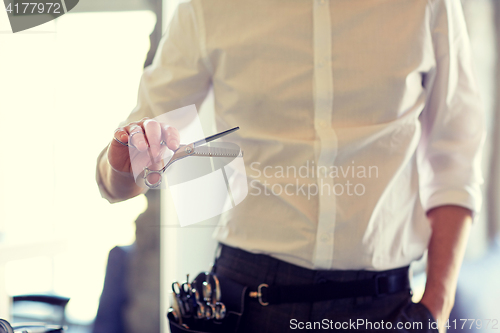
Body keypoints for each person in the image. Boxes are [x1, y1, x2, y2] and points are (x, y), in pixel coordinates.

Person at [96, 0, 484, 332]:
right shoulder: (208, 7)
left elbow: (456, 161)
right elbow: (127, 173)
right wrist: (123, 164)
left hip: (385, 306)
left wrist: (435, 309)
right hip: (247, 303)